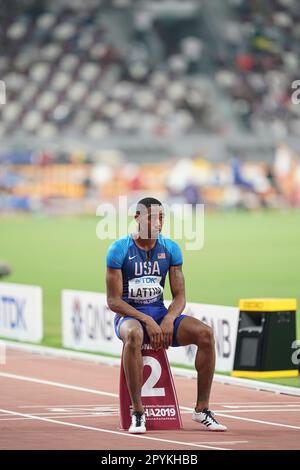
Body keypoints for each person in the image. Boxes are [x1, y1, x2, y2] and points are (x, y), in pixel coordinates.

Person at [106, 197, 227, 433]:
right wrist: (147, 320)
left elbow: (180, 296)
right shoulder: (119, 249)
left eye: (162, 217)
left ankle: (202, 409)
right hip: (130, 317)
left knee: (205, 334)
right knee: (133, 335)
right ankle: (138, 412)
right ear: (138, 218)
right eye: (152, 217)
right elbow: (113, 301)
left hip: (161, 314)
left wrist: (169, 318)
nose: (158, 222)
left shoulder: (170, 249)